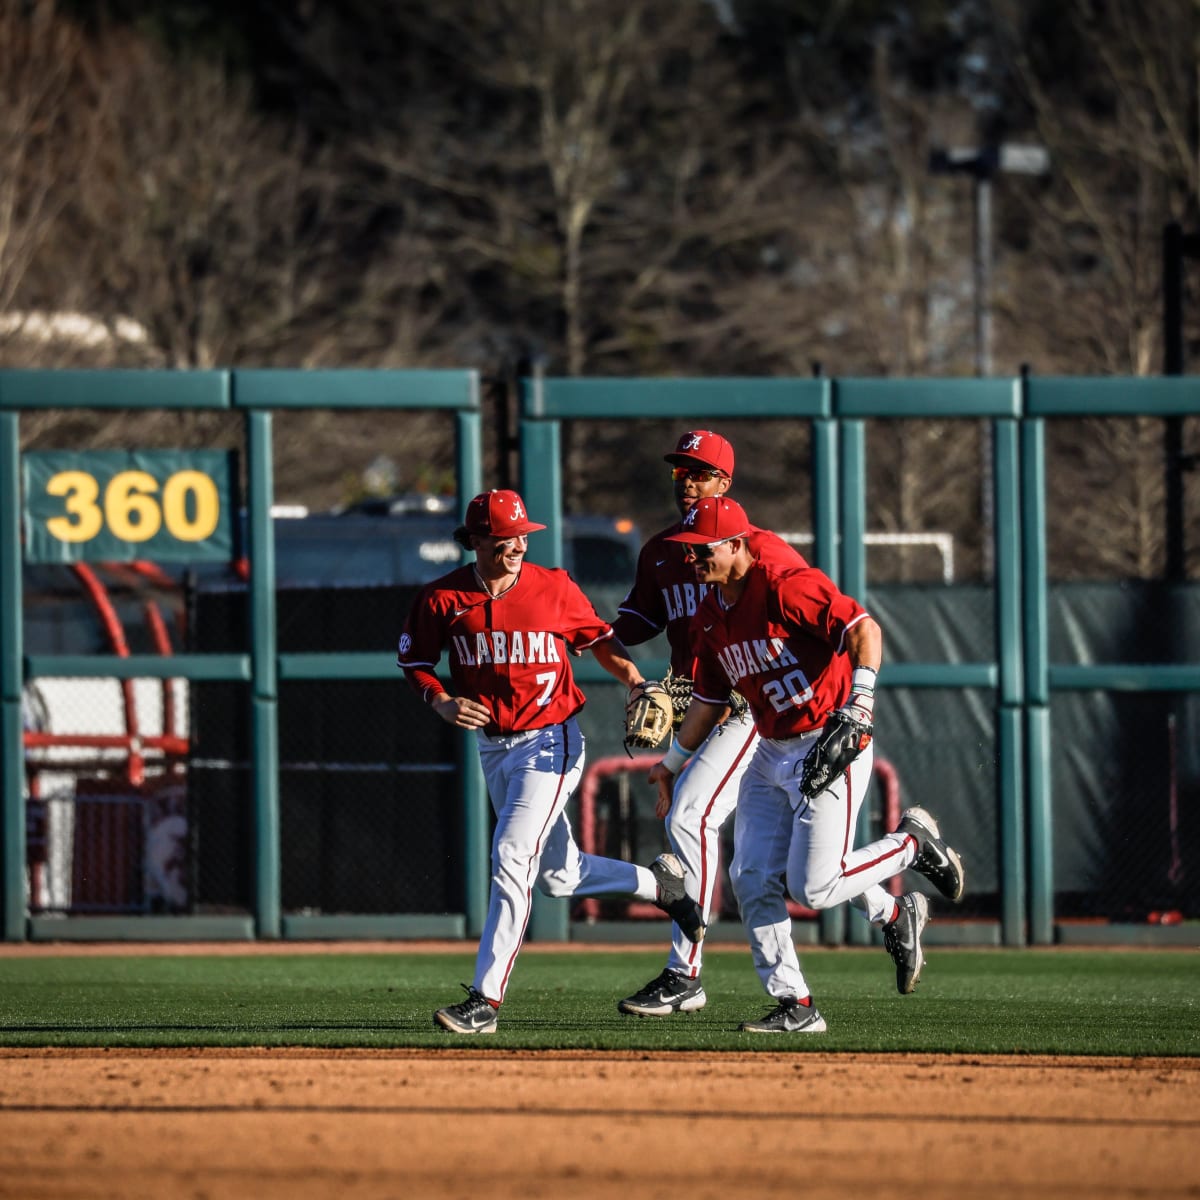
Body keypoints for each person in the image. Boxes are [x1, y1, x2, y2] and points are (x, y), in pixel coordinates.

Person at [397, 488, 705, 1035]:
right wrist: (438, 699)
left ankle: (484, 1001)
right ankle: (661, 887)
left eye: (521, 535)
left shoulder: (553, 587)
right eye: (503, 537)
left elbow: (600, 638)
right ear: (474, 541)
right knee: (559, 877)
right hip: (492, 744)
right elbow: (415, 660)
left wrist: (635, 681)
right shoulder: (442, 599)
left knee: (513, 853)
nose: (516, 545)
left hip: (551, 741)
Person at [663, 495, 965, 1033]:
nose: (693, 559)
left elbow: (863, 630)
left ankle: (913, 844)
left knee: (814, 887)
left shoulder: (783, 583)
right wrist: (673, 762)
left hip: (829, 740)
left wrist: (862, 701)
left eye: (703, 549)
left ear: (736, 544)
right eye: (688, 551)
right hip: (768, 747)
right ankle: (795, 1005)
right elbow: (710, 699)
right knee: (751, 877)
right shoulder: (710, 613)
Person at [610, 430, 808, 1018]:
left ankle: (685, 972)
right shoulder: (662, 552)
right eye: (681, 472)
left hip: (752, 705)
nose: (687, 482)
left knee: (693, 814)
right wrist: (581, 635)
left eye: (700, 473)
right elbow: (633, 622)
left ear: (725, 482)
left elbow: (811, 623)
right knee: (791, 862)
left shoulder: (761, 551)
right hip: (701, 705)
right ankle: (891, 906)